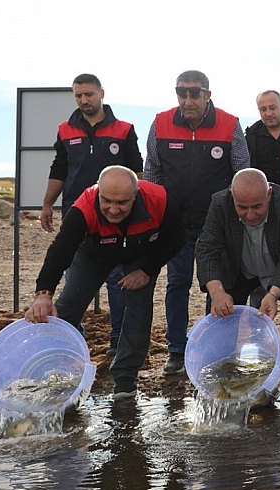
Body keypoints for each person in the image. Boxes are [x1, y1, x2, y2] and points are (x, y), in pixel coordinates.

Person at [24, 166, 184, 398]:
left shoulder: (159, 199)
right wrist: (43, 294)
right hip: (94, 252)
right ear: (98, 193)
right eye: (107, 201)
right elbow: (61, 250)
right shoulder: (83, 208)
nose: (113, 209)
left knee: (139, 309)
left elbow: (176, 238)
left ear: (136, 195)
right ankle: (56, 371)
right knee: (68, 304)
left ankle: (126, 377)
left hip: (141, 253)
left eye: (122, 203)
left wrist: (147, 271)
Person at [144, 70, 250, 375]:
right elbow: (152, 169)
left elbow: (241, 172)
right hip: (174, 224)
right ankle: (176, 349)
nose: (187, 100)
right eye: (182, 93)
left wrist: (234, 216)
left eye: (194, 93)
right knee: (177, 284)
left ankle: (211, 348)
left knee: (214, 286)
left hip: (214, 225)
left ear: (208, 94)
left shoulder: (230, 125)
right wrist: (155, 212)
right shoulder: (161, 123)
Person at [195, 169, 280, 395]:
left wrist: (274, 294)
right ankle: (217, 374)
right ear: (232, 196)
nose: (250, 214)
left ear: (269, 195)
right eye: (242, 207)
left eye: (257, 206)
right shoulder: (219, 203)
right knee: (219, 309)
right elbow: (207, 248)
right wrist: (217, 292)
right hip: (240, 266)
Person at [42, 73, 143, 357]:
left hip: (116, 218)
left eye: (88, 94)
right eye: (78, 95)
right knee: (76, 280)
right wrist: (48, 203)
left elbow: (137, 173)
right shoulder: (65, 130)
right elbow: (59, 169)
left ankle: (118, 340)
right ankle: (73, 338)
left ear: (101, 93)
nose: (84, 100)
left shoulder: (124, 129)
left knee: (118, 280)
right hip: (78, 216)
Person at [245, 90, 280, 186]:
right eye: (263, 109)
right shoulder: (251, 137)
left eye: (272, 108)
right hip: (262, 193)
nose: (268, 113)